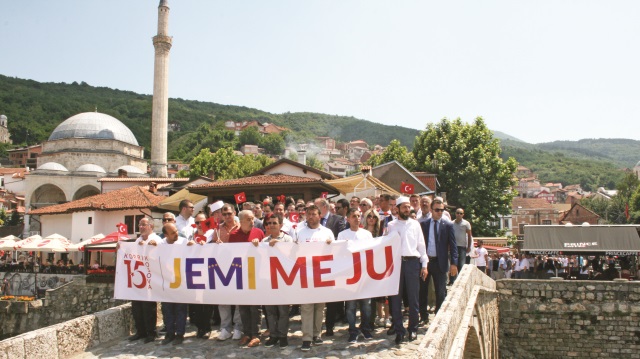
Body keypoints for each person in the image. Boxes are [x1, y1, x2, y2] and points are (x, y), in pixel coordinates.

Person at [387, 196, 429, 345]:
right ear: (397, 209)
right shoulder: (391, 225)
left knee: (413, 298)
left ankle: (413, 328)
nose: (407, 209)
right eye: (404, 207)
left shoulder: (415, 225)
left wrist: (424, 265)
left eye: (408, 206)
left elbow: (421, 246)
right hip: (397, 264)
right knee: (396, 299)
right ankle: (399, 330)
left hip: (412, 263)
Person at [295, 205, 335, 351]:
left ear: (320, 215)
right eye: (309, 214)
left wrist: (331, 245)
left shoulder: (327, 232)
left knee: (319, 307)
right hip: (305, 274)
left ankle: (317, 334)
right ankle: (306, 338)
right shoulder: (299, 232)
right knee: (306, 307)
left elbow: (334, 252)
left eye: (314, 214)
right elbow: (292, 251)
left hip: (322, 274)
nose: (311, 217)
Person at [252, 212, 293, 349]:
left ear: (280, 225)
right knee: (270, 311)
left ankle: (282, 336)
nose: (271, 225)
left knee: (283, 311)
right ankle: (273, 335)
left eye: (274, 223)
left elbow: (292, 255)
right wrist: (256, 245)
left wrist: (279, 244)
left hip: (283, 280)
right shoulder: (264, 241)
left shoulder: (287, 239)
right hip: (268, 281)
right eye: (269, 223)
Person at [337, 208, 374, 343]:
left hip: (364, 274)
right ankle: (352, 330)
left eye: (359, 216)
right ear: (348, 218)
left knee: (366, 305)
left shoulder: (367, 234)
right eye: (354, 216)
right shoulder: (342, 235)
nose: (357, 218)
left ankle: (365, 328)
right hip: (350, 275)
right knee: (351, 306)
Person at [229, 210, 265, 348]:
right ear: (241, 221)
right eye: (249, 219)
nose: (252, 221)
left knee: (255, 307)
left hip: (256, 275)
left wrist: (258, 246)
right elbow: (231, 255)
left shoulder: (259, 233)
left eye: (253, 219)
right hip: (241, 275)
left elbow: (267, 252)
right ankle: (247, 333)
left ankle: (256, 334)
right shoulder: (233, 236)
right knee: (243, 307)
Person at [419, 198, 458, 317]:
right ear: (431, 210)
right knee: (422, 290)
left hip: (440, 262)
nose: (440, 212)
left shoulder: (448, 225)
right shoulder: (423, 225)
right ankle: (423, 315)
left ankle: (438, 315)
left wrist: (454, 263)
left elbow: (453, 244)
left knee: (441, 291)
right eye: (437, 210)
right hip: (426, 262)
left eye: (442, 210)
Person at [314, 197, 346, 337]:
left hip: (332, 262)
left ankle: (329, 326)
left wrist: (332, 242)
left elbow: (341, 238)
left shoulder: (337, 219)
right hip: (316, 264)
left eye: (316, 207)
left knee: (332, 298)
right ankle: (316, 327)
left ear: (323, 207)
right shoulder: (311, 223)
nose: (314, 211)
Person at [128, 217, 161, 343]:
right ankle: (140, 331)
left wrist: (148, 246)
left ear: (151, 226)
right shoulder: (138, 240)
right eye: (139, 225)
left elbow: (160, 253)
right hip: (138, 277)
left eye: (143, 225)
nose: (141, 227)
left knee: (149, 307)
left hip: (151, 278)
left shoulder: (157, 239)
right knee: (137, 306)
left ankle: (151, 332)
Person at [213, 204, 243, 342]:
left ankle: (238, 327)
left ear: (234, 213)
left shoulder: (241, 227)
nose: (226, 217)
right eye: (224, 214)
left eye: (229, 214)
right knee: (223, 299)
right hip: (222, 267)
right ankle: (225, 328)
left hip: (238, 266)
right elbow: (210, 250)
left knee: (237, 299)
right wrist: (215, 244)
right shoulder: (217, 230)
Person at [160, 222, 189, 345]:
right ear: (166, 234)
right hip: (166, 283)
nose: (176, 234)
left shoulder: (184, 242)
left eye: (176, 231)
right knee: (167, 310)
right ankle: (170, 333)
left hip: (180, 282)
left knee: (180, 310)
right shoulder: (160, 244)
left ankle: (180, 334)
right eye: (172, 233)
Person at [450, 208, 472, 284]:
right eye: (457, 213)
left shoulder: (466, 224)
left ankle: (461, 281)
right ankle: (452, 280)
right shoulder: (451, 223)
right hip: (453, 246)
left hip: (462, 246)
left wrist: (469, 246)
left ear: (463, 215)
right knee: (453, 263)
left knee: (462, 264)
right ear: (455, 213)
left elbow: (469, 236)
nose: (459, 214)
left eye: (461, 213)